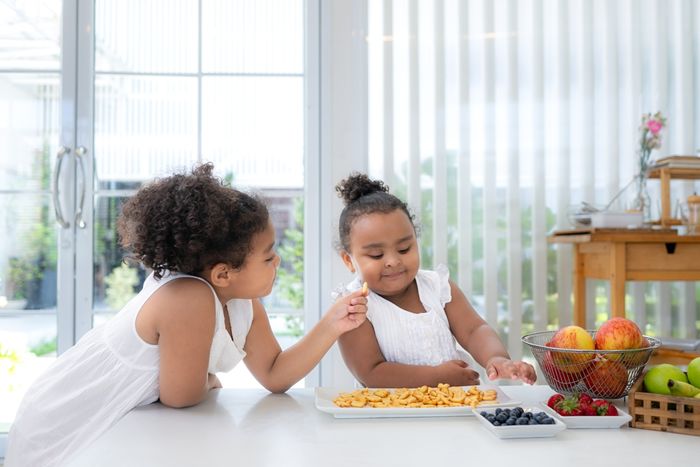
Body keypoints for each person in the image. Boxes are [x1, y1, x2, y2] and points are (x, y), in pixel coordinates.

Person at [5, 163, 368, 467]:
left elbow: (274, 374)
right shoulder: (188, 298)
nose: (278, 261)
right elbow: (180, 395)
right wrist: (205, 380)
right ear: (224, 273)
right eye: (269, 256)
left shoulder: (241, 300)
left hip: (121, 426)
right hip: (68, 426)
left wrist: (332, 324)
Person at [334, 172, 535, 389]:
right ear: (349, 260)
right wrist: (437, 377)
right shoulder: (353, 307)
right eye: (376, 255)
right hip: (391, 418)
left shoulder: (437, 286)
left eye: (404, 248)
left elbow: (474, 330)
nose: (393, 261)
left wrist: (496, 358)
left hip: (456, 410)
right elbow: (371, 373)